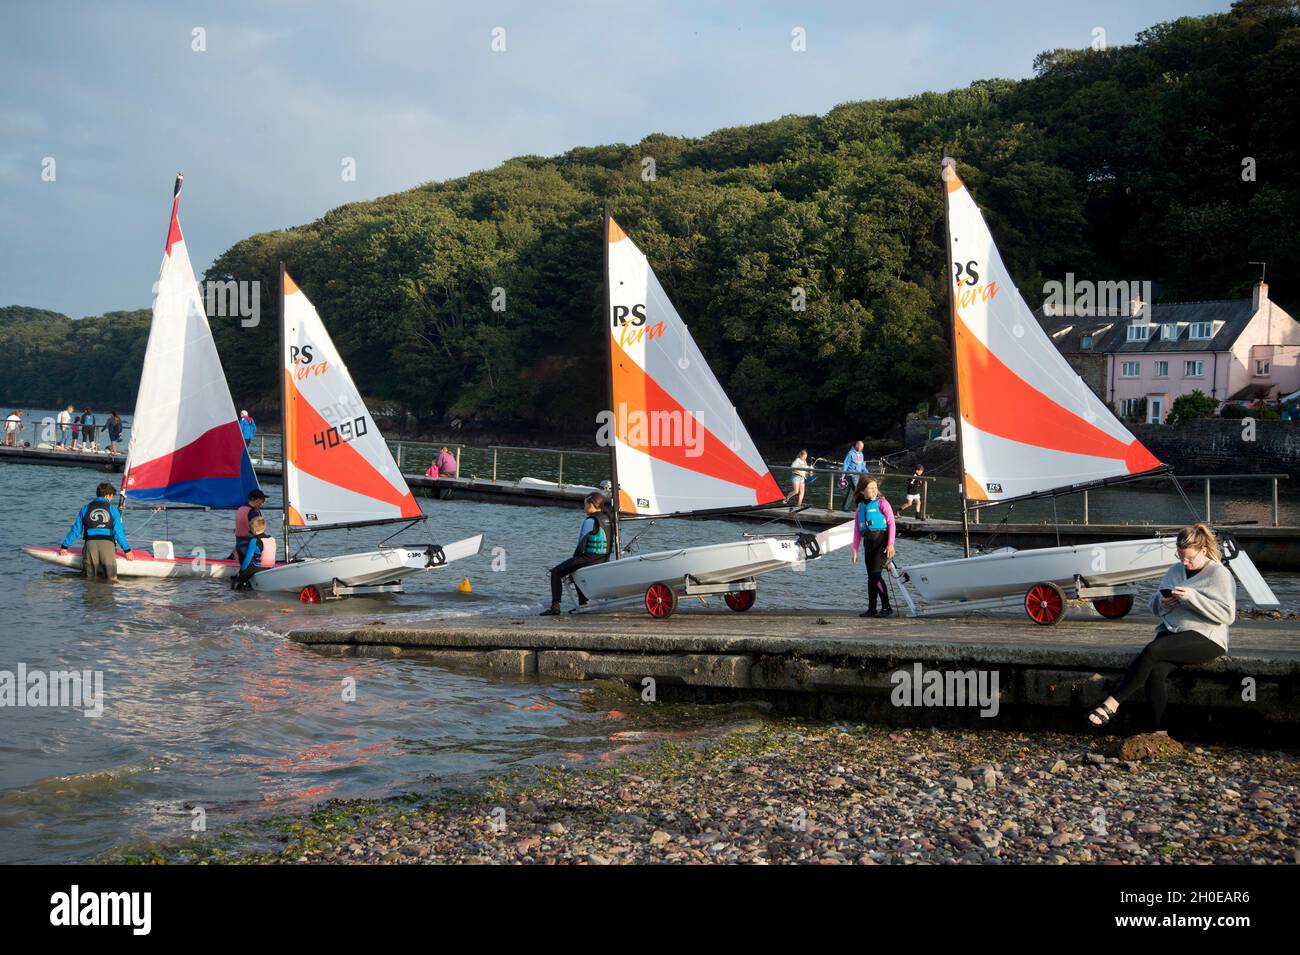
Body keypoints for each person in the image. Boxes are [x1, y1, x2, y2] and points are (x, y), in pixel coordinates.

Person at [1088, 524, 1235, 732]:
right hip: (1172, 633)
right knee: (1155, 672)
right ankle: (1159, 731)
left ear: (1203, 551)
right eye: (1180, 556)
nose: (1184, 562)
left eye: (1189, 558)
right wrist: (1162, 602)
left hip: (1207, 637)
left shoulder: (1219, 574)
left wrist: (1191, 597)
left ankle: (1111, 704)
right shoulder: (1175, 570)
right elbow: (1154, 606)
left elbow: (1227, 616)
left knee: (1152, 650)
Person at [541, 492, 612, 615]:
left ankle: (555, 607)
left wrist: (573, 561)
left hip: (589, 558)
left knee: (555, 573)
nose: (584, 508)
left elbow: (581, 546)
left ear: (591, 504)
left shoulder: (590, 521)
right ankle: (583, 605)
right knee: (575, 572)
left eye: (585, 504)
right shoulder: (608, 519)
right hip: (603, 558)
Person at [59, 481, 134, 581]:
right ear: (108, 495)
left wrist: (65, 546)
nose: (111, 499)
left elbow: (76, 530)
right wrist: (127, 550)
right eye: (111, 496)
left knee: (89, 580)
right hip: (107, 545)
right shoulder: (113, 509)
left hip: (90, 545)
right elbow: (118, 532)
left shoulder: (85, 508)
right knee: (113, 579)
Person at [850, 476, 896, 617]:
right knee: (871, 577)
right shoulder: (860, 508)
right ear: (863, 491)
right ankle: (872, 609)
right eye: (871, 488)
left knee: (875, 576)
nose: (874, 491)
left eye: (876, 488)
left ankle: (887, 607)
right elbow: (857, 530)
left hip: (881, 543)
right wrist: (854, 550)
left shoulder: (882, 503)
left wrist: (890, 544)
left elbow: (892, 524)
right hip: (868, 544)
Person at [231, 515, 277, 589]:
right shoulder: (272, 539)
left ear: (254, 529)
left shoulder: (254, 541)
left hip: (257, 568)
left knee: (235, 582)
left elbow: (247, 559)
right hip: (271, 568)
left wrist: (241, 572)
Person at [232, 489, 267, 559]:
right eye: (262, 501)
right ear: (257, 500)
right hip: (249, 544)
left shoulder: (240, 509)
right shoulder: (254, 512)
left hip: (239, 543)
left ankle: (233, 557)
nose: (263, 504)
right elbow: (258, 531)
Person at [840, 440, 868, 510]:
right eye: (860, 446)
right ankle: (862, 508)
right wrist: (842, 476)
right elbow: (846, 464)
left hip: (858, 475)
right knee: (858, 490)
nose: (862, 448)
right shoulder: (850, 453)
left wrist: (867, 473)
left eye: (862, 447)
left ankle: (845, 508)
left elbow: (862, 465)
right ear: (856, 446)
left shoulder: (861, 454)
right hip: (851, 474)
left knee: (851, 492)